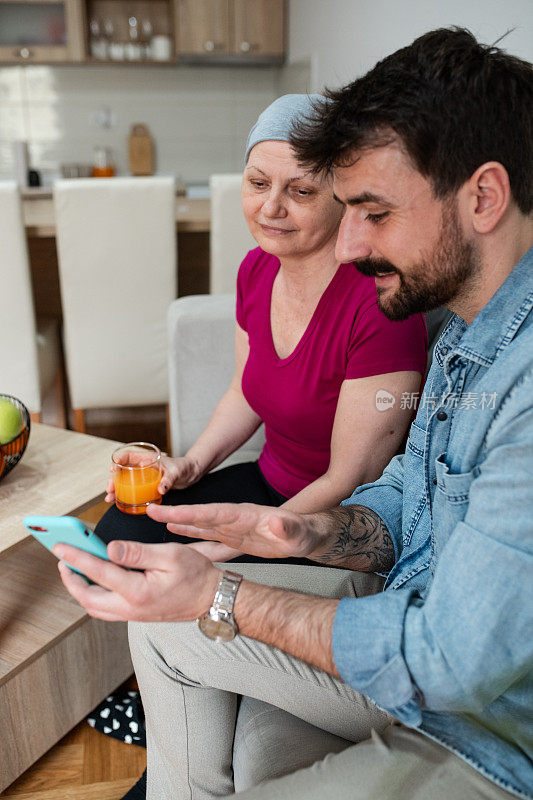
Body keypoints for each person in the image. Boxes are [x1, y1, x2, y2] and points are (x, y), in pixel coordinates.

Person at [55, 27, 533, 800]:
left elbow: (450, 662)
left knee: (184, 595)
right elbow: (408, 496)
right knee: (153, 595)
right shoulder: (468, 329)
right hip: (402, 603)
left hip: (487, 728)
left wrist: (225, 592)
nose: (344, 245)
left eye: (370, 211)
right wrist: (295, 531)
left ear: (481, 197)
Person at [96, 93, 426, 556]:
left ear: (344, 198)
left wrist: (236, 546)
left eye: (301, 191)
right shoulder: (256, 268)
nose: (271, 207)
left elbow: (350, 478)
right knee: (117, 533)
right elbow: (243, 392)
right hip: (264, 483)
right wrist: (189, 465)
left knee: (162, 562)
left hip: (330, 522)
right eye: (258, 183)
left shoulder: (381, 304)